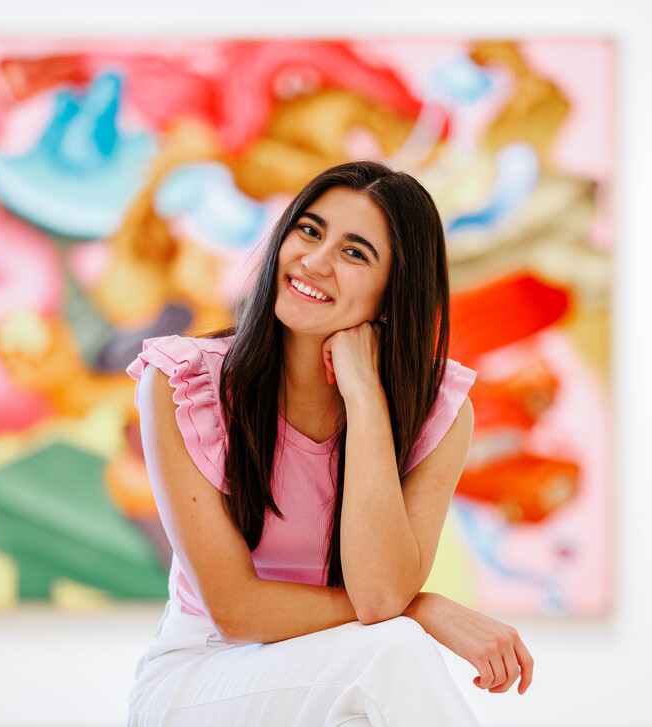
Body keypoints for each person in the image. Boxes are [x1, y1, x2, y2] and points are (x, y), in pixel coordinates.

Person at [126, 161, 533, 726]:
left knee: (376, 680)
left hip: (330, 677)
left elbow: (380, 589)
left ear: (394, 293)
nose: (314, 262)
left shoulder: (438, 412)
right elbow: (237, 611)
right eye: (310, 231)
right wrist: (423, 610)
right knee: (394, 651)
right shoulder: (184, 383)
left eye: (355, 252)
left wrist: (365, 398)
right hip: (199, 679)